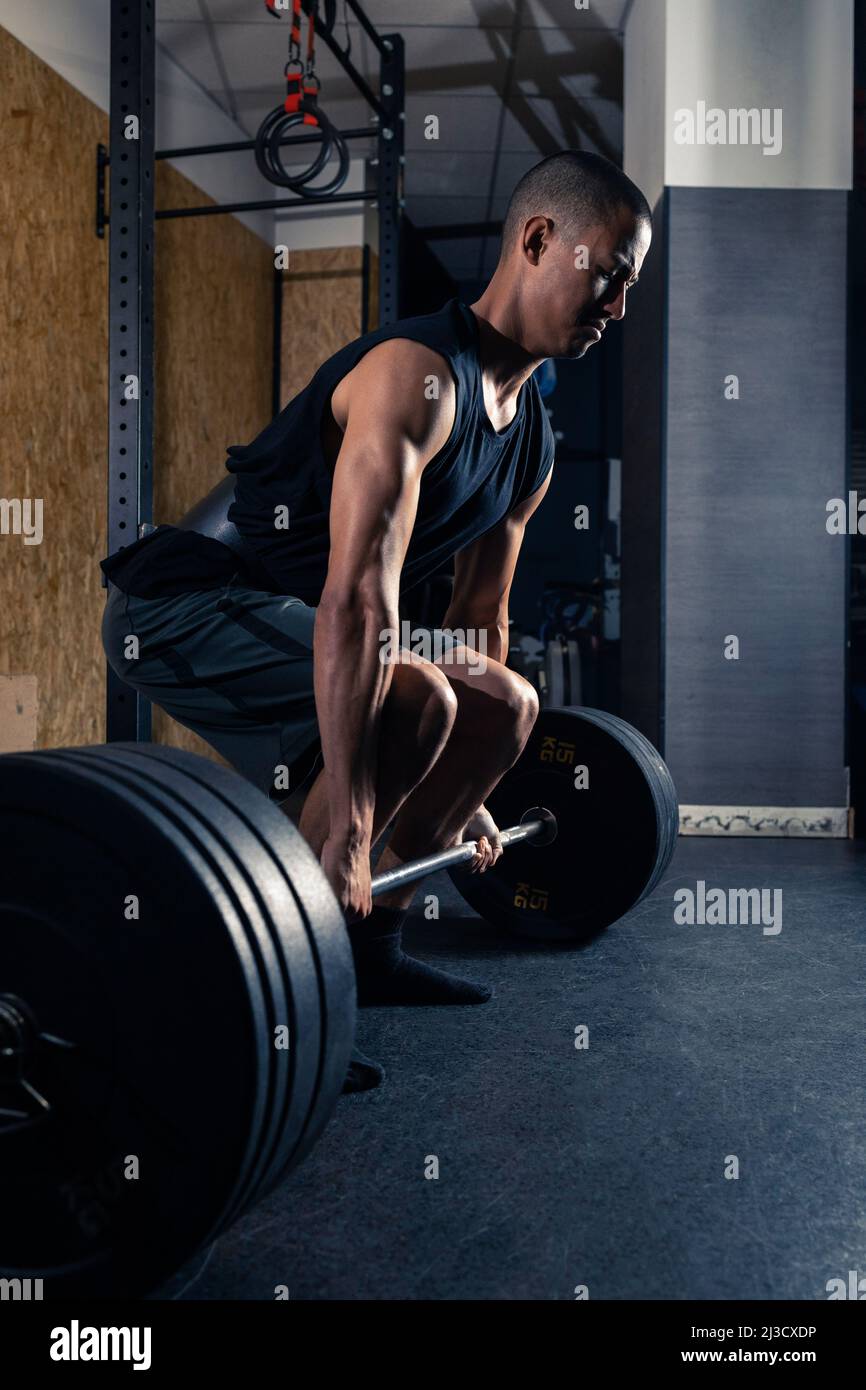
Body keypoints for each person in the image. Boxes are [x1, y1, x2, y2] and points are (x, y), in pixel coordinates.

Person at [101, 150, 652, 1090]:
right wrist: (355, 821)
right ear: (537, 239)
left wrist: (475, 770)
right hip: (185, 606)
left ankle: (370, 956)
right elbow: (360, 597)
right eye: (612, 275)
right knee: (414, 703)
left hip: (305, 617)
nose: (619, 308)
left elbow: (483, 614)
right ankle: (280, 1016)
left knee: (508, 706)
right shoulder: (414, 378)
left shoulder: (530, 441)